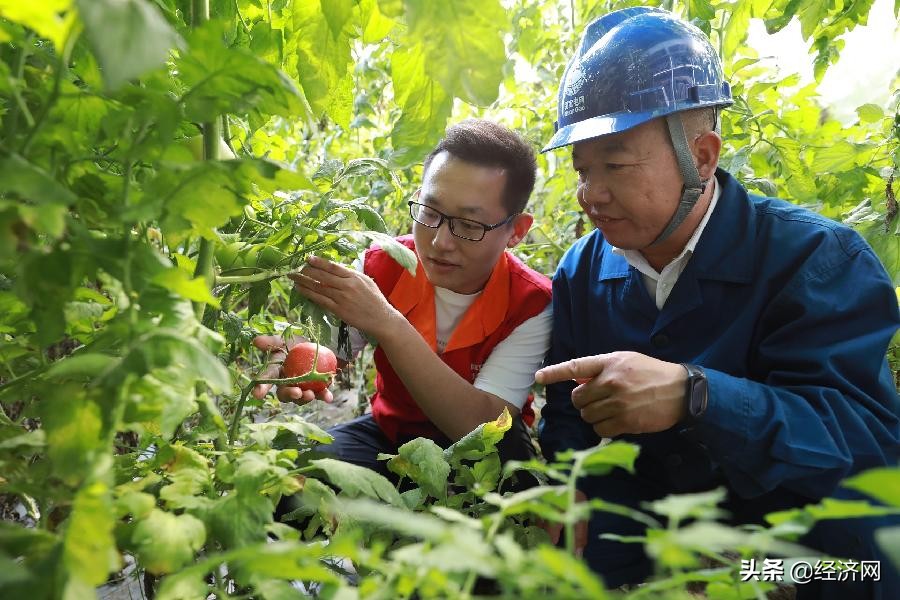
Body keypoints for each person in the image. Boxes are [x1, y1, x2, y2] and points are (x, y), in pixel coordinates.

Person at [535, 6, 900, 598]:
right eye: (582, 169)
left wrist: (696, 396)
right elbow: (568, 414)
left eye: (617, 166)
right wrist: (565, 478)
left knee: (844, 575)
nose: (590, 194)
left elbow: (865, 443)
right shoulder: (583, 269)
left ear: (701, 156)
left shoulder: (814, 259)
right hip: (658, 533)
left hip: (796, 549)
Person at [254, 119, 552, 483]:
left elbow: (481, 425)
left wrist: (389, 324)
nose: (441, 241)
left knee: (512, 500)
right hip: (392, 435)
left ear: (516, 231)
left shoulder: (531, 303)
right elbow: (333, 350)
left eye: (469, 226)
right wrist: (301, 356)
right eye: (430, 213)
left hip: (488, 455)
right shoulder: (383, 263)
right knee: (295, 475)